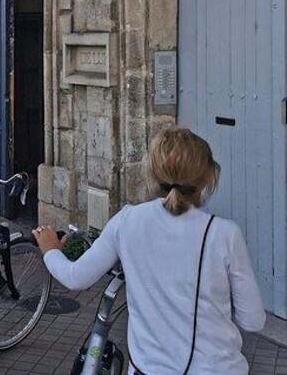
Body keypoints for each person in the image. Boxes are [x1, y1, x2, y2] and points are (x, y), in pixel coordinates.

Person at [34, 128, 265, 374]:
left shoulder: (127, 221)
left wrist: (50, 250)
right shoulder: (225, 233)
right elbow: (253, 320)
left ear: (153, 173)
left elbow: (75, 277)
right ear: (208, 177)